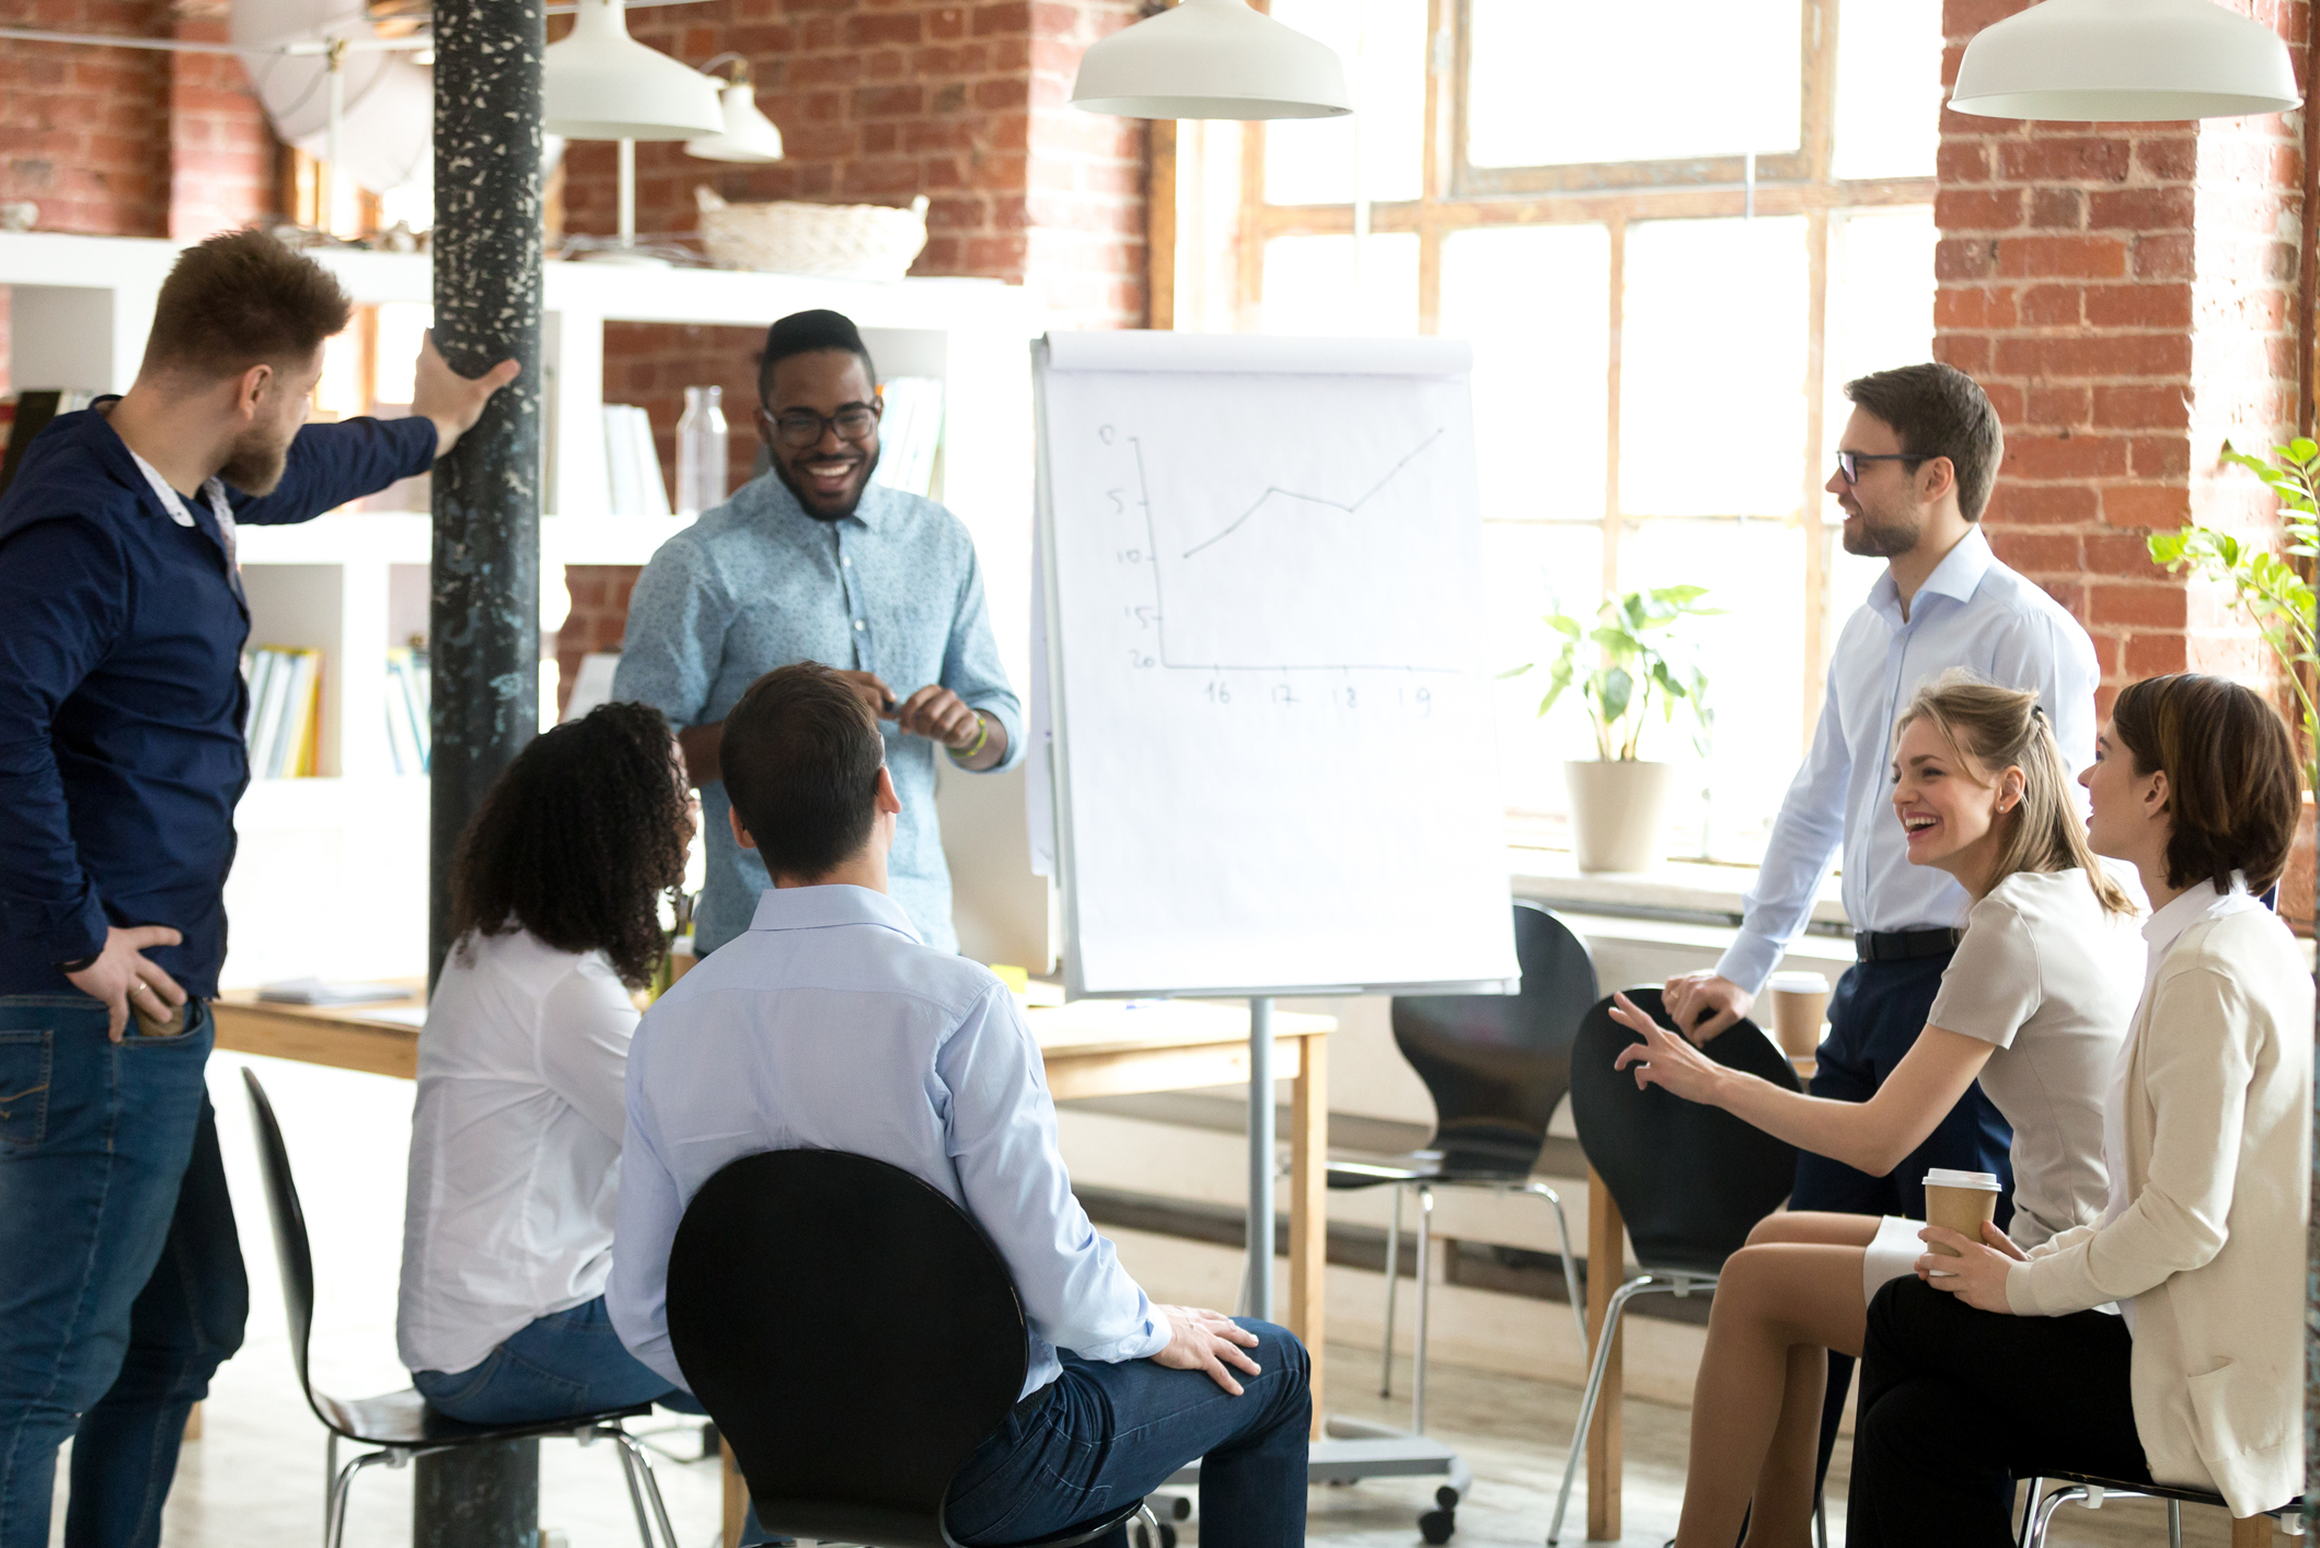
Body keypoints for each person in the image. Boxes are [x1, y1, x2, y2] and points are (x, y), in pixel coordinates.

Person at [0, 229, 514, 1548]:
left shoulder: (180, 485)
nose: (298, 419)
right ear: (250, 385)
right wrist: (81, 938)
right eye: (296, 392)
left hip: (156, 1016)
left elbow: (316, 469)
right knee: (38, 1376)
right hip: (89, 1014)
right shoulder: (85, 525)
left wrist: (430, 427)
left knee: (185, 1325)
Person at [608, 662, 1310, 1546]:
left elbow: (638, 1309)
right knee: (1272, 1366)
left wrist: (784, 1403)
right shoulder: (959, 1009)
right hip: (989, 1473)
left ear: (740, 828)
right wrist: (1152, 1325)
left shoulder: (668, 1030)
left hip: (788, 1469)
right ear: (886, 792)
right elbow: (1056, 1279)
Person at [1660, 362, 2102, 1473]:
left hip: (1968, 989)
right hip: (1867, 988)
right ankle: (1777, 1525)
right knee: (1792, 1285)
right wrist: (1744, 965)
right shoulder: (1865, 628)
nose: (1834, 483)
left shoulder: (2026, 632)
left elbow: (2060, 832)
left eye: (1858, 464)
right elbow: (1817, 804)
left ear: (1936, 477)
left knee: (1929, 1314)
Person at [1607, 674, 2140, 1548]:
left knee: (1751, 1284)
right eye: (1898, 773)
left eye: (1930, 772)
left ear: (2007, 789)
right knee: (1773, 1242)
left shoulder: (2011, 925)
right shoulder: (2086, 893)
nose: (1901, 795)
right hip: (2072, 1256)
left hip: (2055, 1288)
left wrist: (1711, 1081)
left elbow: (1878, 1138)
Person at [1846, 673, 2310, 1547]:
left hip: (2202, 1390)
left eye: (2105, 757)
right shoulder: (2234, 939)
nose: (2085, 779)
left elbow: (2181, 1224)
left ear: (2158, 790)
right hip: (2191, 1354)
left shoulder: (2207, 971)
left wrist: (2020, 1286)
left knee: (1909, 1313)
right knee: (1920, 1426)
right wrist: (2042, 1258)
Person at [611, 308, 1021, 959]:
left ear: (878, 411)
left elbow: (1003, 730)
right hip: (756, 947)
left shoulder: (941, 543)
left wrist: (969, 728)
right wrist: (794, 714)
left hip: (918, 942)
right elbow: (632, 765)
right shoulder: (700, 562)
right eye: (801, 420)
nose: (831, 443)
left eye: (851, 416)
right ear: (764, 425)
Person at [396, 702, 701, 1423]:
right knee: (780, 1336)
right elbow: (688, 1148)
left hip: (465, 1335)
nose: (692, 814)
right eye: (677, 794)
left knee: (758, 1333)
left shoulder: (500, 947)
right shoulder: (562, 988)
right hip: (506, 1346)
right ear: (628, 828)